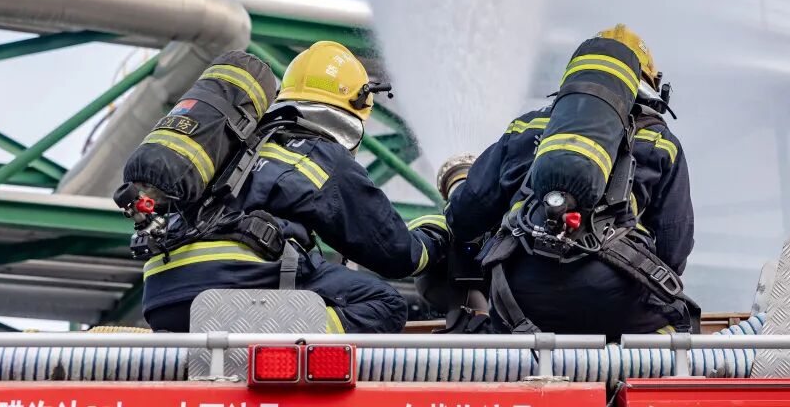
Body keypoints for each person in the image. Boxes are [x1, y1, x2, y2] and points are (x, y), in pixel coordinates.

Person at [141, 41, 451, 334]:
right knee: (383, 303)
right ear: (357, 106)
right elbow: (398, 254)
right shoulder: (321, 155)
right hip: (233, 288)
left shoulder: (236, 145)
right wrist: (439, 230)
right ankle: (282, 349)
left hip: (163, 294)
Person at [441, 24, 696, 338]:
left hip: (520, 296)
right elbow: (674, 249)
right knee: (678, 323)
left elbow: (464, 217)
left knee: (500, 329)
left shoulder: (526, 127)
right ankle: (628, 369)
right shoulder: (660, 141)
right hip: (616, 296)